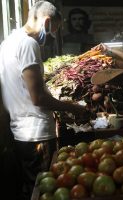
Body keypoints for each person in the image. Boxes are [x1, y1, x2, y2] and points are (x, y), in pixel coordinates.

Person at [0, 1, 86, 199]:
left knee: (31, 188)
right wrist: (72, 108)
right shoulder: (28, 44)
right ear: (46, 22)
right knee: (43, 190)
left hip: (20, 132)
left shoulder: (6, 44)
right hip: (37, 133)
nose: (49, 38)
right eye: (52, 32)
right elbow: (37, 98)